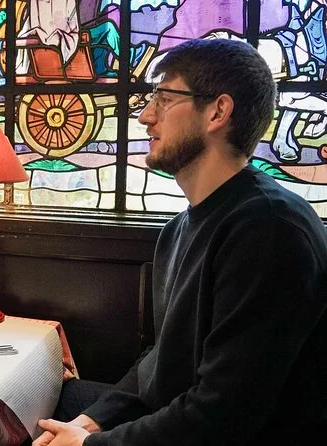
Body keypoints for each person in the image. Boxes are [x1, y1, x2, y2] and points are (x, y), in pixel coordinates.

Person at [34, 39, 327, 445]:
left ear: (218, 112)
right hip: (177, 414)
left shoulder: (269, 229)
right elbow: (162, 358)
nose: (146, 116)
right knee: (47, 402)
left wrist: (88, 444)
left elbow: (224, 416)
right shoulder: (181, 227)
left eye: (165, 98)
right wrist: (92, 422)